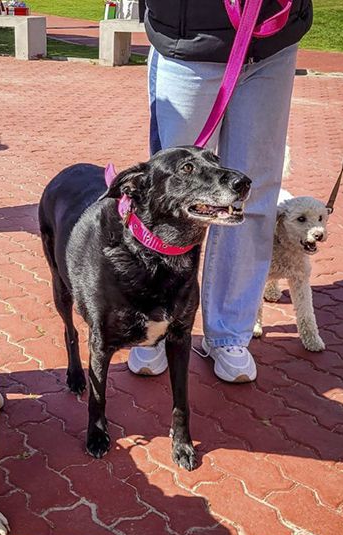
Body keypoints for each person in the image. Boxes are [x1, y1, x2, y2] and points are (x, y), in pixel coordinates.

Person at [127, 0, 313, 383]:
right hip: (190, 36)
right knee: (172, 194)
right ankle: (154, 326)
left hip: (272, 40)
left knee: (253, 195)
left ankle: (229, 333)